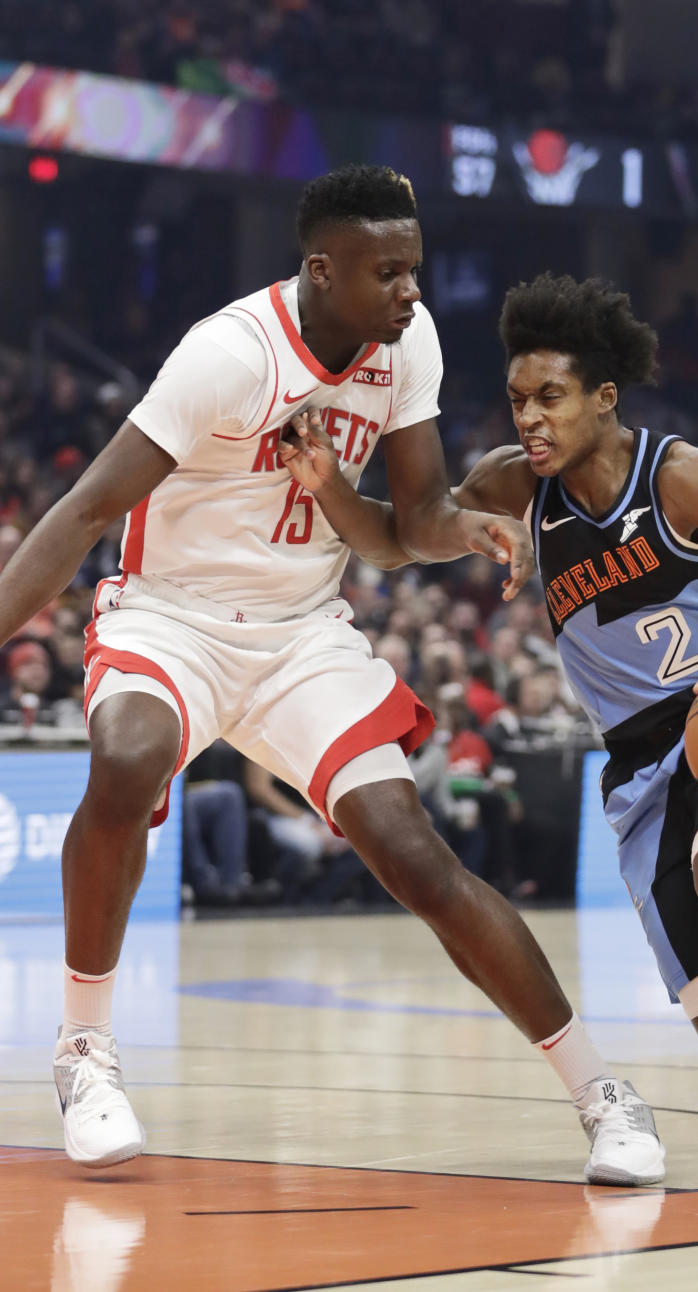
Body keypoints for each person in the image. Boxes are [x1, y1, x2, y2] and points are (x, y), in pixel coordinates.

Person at [0, 167, 659, 1185]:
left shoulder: (408, 346)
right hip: (172, 615)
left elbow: (410, 526)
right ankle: (86, 1049)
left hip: (303, 629)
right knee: (127, 758)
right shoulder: (228, 355)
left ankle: (601, 1091)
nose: (410, 290)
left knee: (414, 852)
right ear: (322, 270)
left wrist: (469, 529)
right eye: (388, 272)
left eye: (415, 269)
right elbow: (86, 509)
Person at [283, 272, 698, 1198]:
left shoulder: (685, 478)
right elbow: (406, 537)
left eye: (550, 397)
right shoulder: (516, 487)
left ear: (604, 396)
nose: (531, 419)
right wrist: (331, 494)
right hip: (638, 768)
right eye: (518, 400)